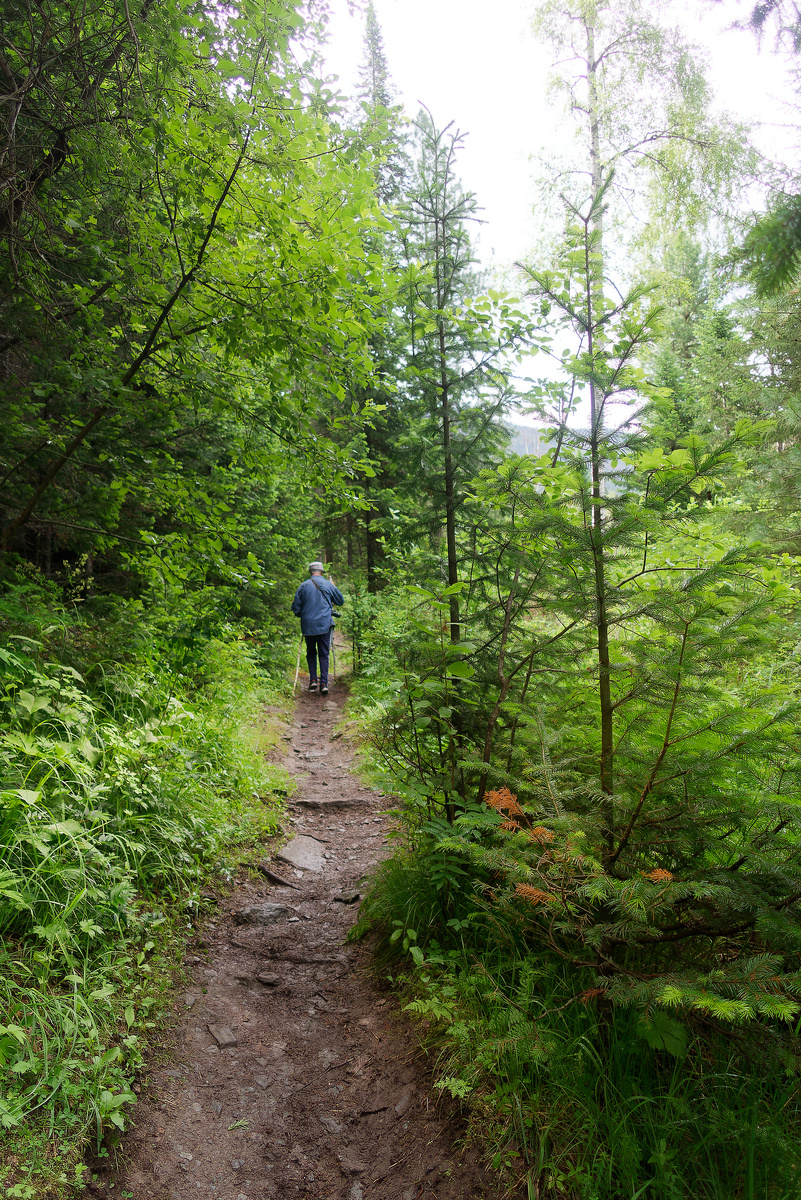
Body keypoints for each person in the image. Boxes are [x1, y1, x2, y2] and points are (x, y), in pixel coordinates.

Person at [291, 561, 343, 696]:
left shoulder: (303, 586)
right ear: (322, 572)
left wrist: (305, 614)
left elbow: (296, 608)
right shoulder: (328, 585)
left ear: (310, 572)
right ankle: (324, 683)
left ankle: (313, 680)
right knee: (324, 654)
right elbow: (340, 601)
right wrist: (334, 587)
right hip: (325, 624)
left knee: (311, 652)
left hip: (308, 626)